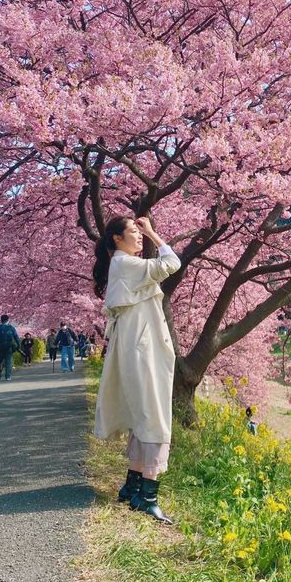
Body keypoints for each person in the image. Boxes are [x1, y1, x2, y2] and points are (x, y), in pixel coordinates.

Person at [92, 215, 181, 524]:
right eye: (134, 231)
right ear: (117, 238)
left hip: (136, 343)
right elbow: (171, 264)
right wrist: (156, 234)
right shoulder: (127, 264)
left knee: (143, 412)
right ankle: (148, 497)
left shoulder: (123, 264)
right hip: (142, 347)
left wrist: (148, 234)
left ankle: (132, 488)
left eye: (141, 231)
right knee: (154, 413)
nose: (140, 236)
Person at [0, 314, 20, 381]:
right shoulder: (11, 328)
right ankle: (8, 376)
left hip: (0, 347)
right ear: (8, 320)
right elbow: (16, 337)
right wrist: (18, 345)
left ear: (1, 320)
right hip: (8, 347)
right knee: (8, 362)